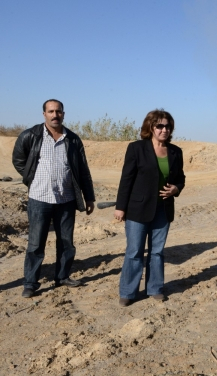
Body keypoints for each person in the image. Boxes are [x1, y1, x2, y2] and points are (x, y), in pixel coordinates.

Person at [12, 99, 96, 298]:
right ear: (44, 114)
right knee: (35, 243)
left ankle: (62, 277)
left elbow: (83, 170)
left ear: (63, 114)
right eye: (51, 111)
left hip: (65, 199)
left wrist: (89, 197)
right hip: (39, 199)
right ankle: (31, 283)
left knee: (66, 242)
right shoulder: (30, 135)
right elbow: (18, 159)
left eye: (58, 111)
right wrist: (31, 178)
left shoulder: (73, 139)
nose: (55, 115)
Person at [114, 109, 185, 307]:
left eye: (167, 126)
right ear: (151, 127)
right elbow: (126, 179)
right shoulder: (136, 148)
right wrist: (121, 207)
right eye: (160, 126)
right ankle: (128, 292)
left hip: (163, 209)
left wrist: (176, 188)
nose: (164, 130)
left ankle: (155, 288)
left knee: (157, 252)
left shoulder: (175, 151)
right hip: (137, 209)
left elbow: (181, 178)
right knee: (134, 251)